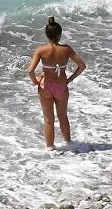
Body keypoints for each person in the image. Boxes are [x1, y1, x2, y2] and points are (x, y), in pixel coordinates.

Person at [26, 16, 85, 150]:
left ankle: (50, 148)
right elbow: (82, 66)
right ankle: (68, 144)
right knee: (62, 116)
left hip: (45, 87)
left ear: (47, 35)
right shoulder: (66, 49)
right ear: (60, 35)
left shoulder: (41, 50)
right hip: (61, 87)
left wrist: (36, 82)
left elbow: (30, 71)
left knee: (48, 120)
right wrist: (70, 79)